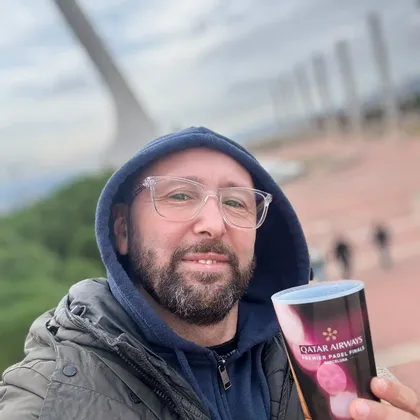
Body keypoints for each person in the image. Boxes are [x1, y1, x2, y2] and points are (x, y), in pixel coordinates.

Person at [1, 127, 418, 420]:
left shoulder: (316, 358)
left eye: (236, 203)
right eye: (180, 195)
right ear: (123, 230)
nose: (214, 224)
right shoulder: (48, 398)